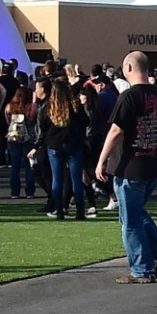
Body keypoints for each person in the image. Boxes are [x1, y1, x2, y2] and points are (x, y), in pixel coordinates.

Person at [95, 52, 157, 283]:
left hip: (131, 166)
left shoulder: (129, 96)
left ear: (129, 68)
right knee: (136, 212)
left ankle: (142, 269)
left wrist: (101, 160)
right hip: (154, 163)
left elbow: (116, 131)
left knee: (130, 221)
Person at [38, 72, 92, 220]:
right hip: (73, 143)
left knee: (57, 179)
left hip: (54, 144)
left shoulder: (48, 107)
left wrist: (40, 143)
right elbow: (86, 121)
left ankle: (59, 210)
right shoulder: (75, 106)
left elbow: (43, 127)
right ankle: (80, 211)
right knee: (76, 179)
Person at [4, 84, 40, 201]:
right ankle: (30, 191)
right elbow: (36, 121)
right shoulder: (32, 107)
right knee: (29, 166)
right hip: (29, 138)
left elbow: (7, 121)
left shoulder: (9, 107)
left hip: (13, 138)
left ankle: (15, 191)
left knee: (15, 166)